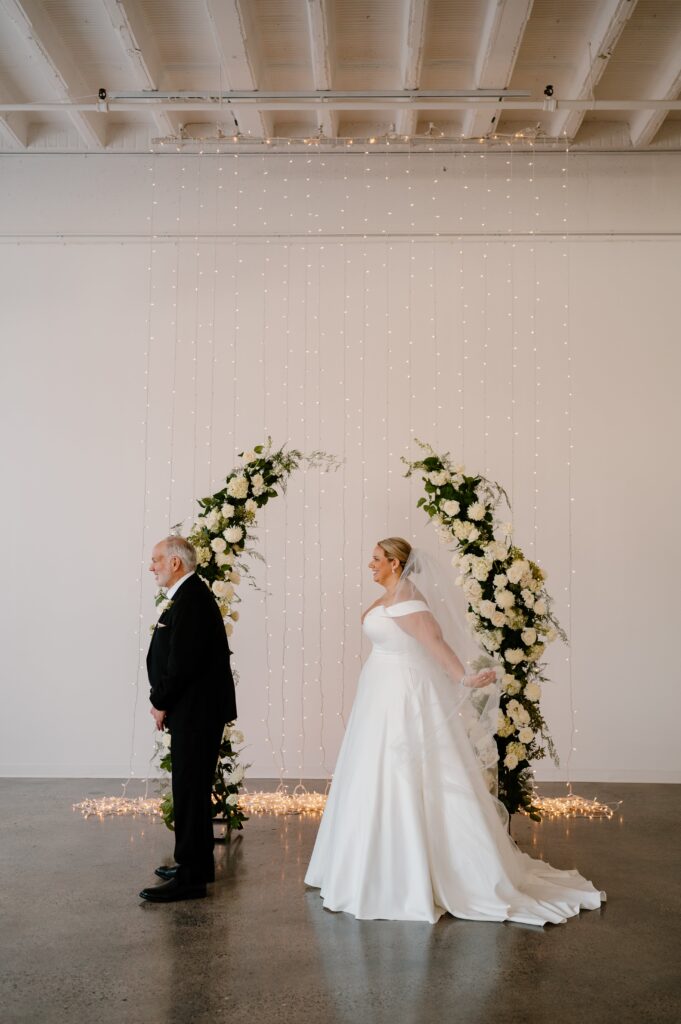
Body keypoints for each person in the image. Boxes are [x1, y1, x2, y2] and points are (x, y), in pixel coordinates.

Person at [305, 537, 605, 924]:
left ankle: (407, 876)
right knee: (372, 773)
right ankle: (358, 865)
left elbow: (436, 644)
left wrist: (463, 678)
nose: (371, 565)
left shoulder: (411, 603)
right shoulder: (392, 597)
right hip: (378, 694)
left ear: (396, 563)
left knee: (406, 775)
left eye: (377, 559)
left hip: (401, 697)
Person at [139, 535, 236, 903]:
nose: (152, 567)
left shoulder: (191, 598)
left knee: (190, 790)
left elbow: (182, 664)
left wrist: (160, 701)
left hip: (196, 710)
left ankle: (191, 877)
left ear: (175, 563)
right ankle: (197, 865)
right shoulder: (187, 595)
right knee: (191, 788)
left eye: (156, 560)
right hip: (195, 709)